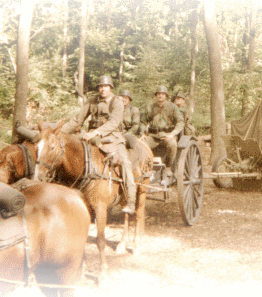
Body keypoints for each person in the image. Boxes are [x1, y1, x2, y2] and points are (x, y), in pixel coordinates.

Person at [61, 75, 136, 215]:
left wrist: (95, 133)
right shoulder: (92, 101)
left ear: (111, 88)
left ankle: (131, 200)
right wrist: (59, 132)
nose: (102, 89)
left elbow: (114, 122)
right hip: (92, 136)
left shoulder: (117, 101)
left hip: (112, 137)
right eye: (100, 86)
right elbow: (78, 120)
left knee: (125, 163)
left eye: (105, 86)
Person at [140, 86, 184, 174]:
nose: (160, 96)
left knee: (172, 144)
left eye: (163, 94)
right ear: (156, 96)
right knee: (141, 145)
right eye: (159, 94)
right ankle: (144, 166)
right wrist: (143, 133)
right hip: (153, 136)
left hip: (167, 135)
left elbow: (180, 122)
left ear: (166, 96)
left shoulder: (172, 107)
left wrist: (172, 134)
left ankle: (168, 166)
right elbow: (143, 122)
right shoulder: (150, 107)